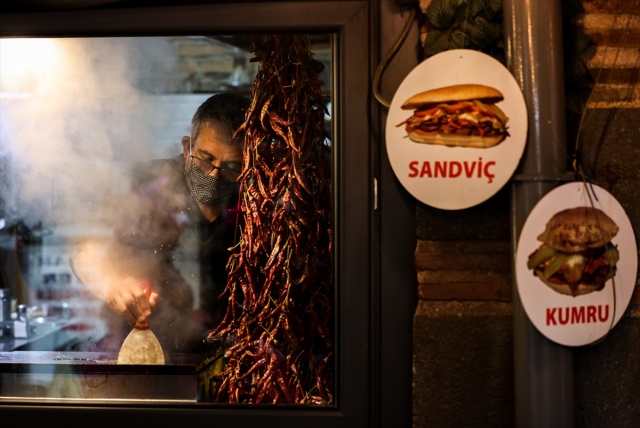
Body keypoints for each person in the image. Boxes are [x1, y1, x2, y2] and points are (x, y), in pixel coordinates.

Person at [71, 92, 250, 354]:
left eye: (232, 166)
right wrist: (111, 283)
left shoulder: (257, 200)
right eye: (206, 158)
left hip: (233, 356)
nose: (214, 175)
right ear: (188, 146)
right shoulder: (148, 183)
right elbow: (84, 250)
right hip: (148, 352)